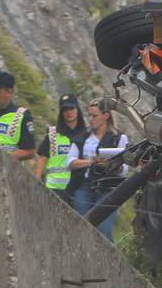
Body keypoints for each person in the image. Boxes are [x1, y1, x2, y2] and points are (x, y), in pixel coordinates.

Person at [77, 98, 131, 241]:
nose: (90, 119)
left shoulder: (120, 138)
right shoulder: (85, 137)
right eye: (89, 115)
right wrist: (90, 162)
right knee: (81, 225)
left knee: (103, 230)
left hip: (108, 188)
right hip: (87, 184)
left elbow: (125, 167)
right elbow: (71, 161)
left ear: (105, 116)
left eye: (94, 116)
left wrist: (115, 166)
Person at [37, 95, 89, 206]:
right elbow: (42, 158)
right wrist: (37, 182)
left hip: (78, 191)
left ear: (77, 110)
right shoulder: (52, 134)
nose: (68, 112)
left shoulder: (87, 135)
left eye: (71, 108)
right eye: (65, 109)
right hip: (54, 189)